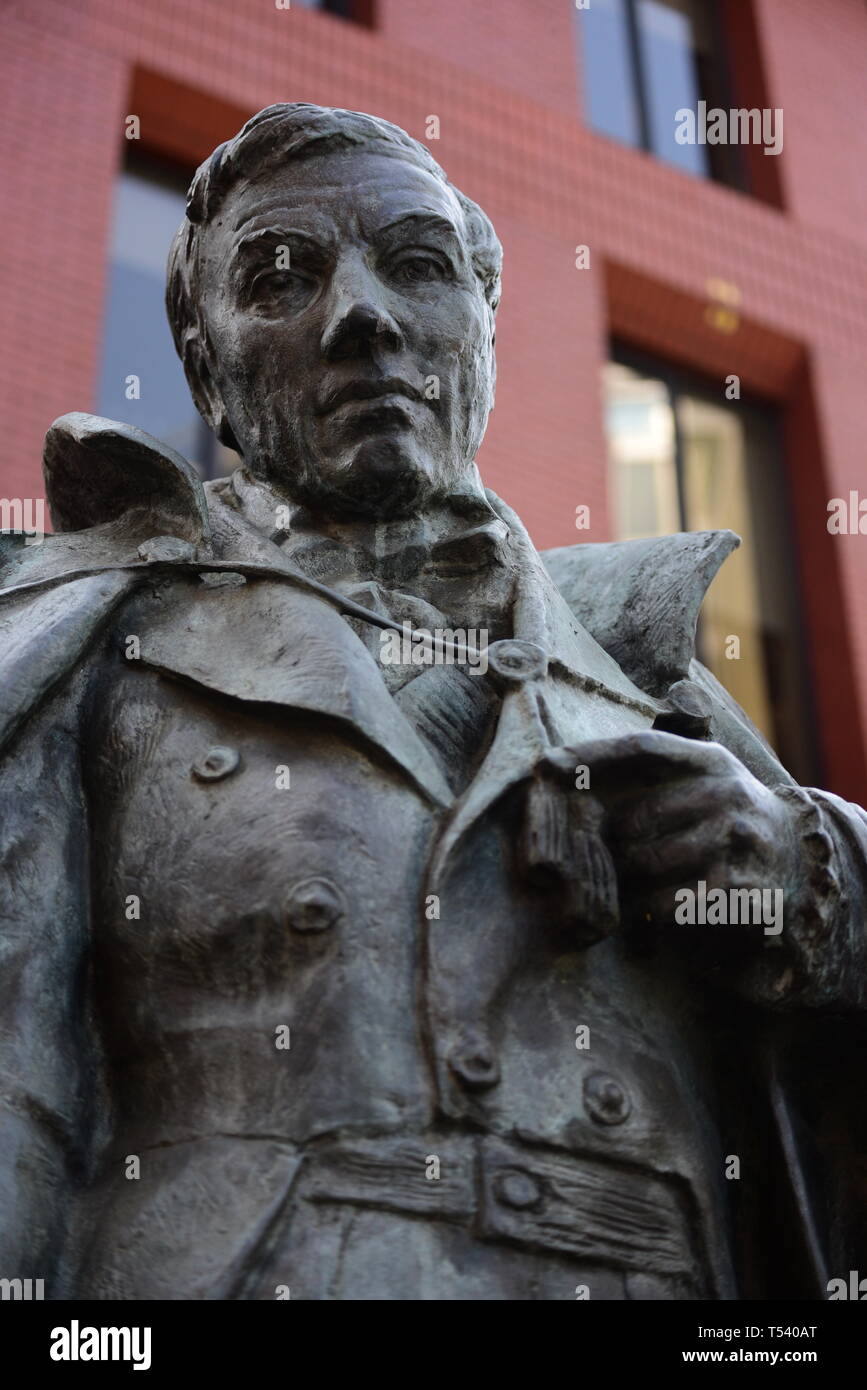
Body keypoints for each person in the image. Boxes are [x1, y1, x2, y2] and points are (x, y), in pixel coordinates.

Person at [2, 103, 866, 1300]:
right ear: (204, 366)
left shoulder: (641, 665)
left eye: (417, 267)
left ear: (487, 324)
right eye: (282, 280)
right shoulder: (100, 640)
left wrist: (813, 868)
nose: (363, 318)